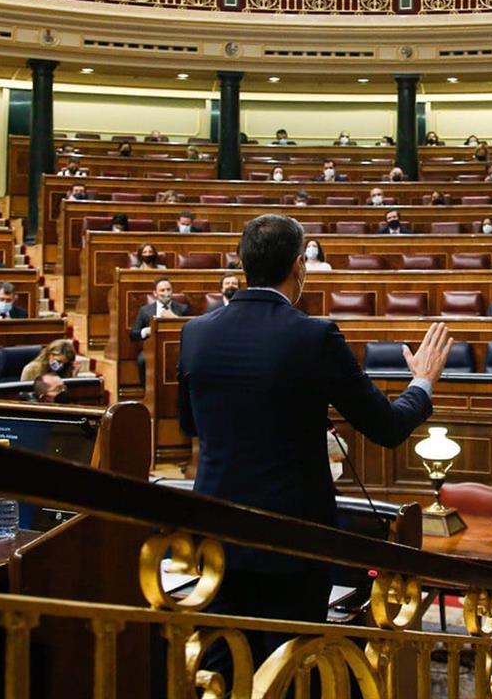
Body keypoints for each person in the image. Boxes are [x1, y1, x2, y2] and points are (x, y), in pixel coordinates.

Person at [177, 214, 451, 676]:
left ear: (243, 263)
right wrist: (422, 382)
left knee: (220, 667)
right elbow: (386, 427)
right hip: (294, 541)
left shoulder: (195, 332)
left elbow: (192, 424)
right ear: (299, 265)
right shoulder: (314, 335)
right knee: (288, 670)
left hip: (216, 533)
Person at [131, 277, 190, 382]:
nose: (166, 293)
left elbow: (191, 330)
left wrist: (174, 319)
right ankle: (147, 393)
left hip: (178, 348)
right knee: (142, 360)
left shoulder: (183, 309)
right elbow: (133, 334)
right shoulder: (145, 311)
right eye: (162, 290)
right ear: (155, 293)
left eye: (168, 289)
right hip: (152, 348)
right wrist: (147, 331)